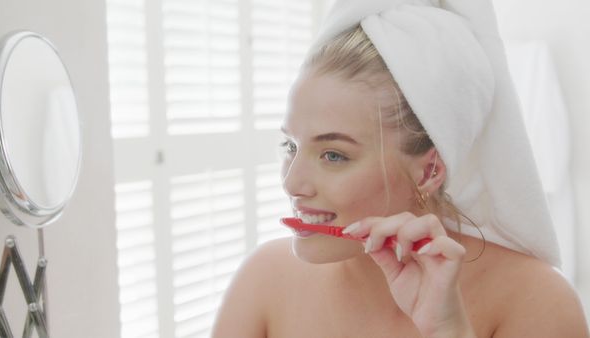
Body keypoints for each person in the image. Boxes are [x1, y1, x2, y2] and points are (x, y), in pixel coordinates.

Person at [212, 0, 590, 337]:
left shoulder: (535, 301)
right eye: (290, 146)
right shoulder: (263, 279)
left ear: (429, 172)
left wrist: (448, 331)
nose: (291, 183)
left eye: (334, 155)